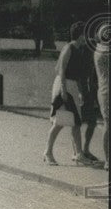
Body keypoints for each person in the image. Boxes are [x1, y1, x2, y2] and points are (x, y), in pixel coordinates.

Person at [44, 22, 93, 166]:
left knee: (76, 122)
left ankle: (78, 154)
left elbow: (77, 74)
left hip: (71, 86)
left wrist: (80, 92)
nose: (87, 37)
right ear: (80, 35)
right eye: (85, 34)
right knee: (60, 122)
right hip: (63, 85)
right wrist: (64, 91)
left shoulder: (80, 49)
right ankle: (47, 153)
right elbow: (61, 70)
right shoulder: (69, 47)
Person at [93, 39, 109, 171]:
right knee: (108, 125)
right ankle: (108, 160)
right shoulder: (105, 53)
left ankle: (108, 160)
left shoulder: (98, 51)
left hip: (103, 91)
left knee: (107, 124)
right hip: (107, 92)